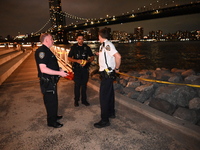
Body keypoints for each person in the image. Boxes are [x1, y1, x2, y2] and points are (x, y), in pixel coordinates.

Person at [35, 33, 68, 128]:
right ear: (46, 41)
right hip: (47, 82)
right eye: (51, 39)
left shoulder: (47, 50)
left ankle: (54, 116)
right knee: (50, 101)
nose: (53, 40)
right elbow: (43, 69)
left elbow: (50, 64)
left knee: (54, 100)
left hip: (51, 81)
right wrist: (59, 73)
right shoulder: (42, 51)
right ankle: (51, 122)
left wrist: (60, 70)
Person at [94, 28, 121, 128]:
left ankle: (105, 120)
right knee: (109, 94)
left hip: (107, 74)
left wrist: (117, 68)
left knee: (104, 97)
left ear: (100, 36)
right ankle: (111, 113)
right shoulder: (103, 45)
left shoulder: (108, 45)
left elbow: (118, 56)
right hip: (107, 74)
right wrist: (99, 54)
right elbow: (107, 55)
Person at [68, 33, 94, 107]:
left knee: (84, 85)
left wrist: (88, 61)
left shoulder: (87, 47)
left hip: (85, 69)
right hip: (77, 69)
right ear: (76, 39)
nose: (81, 40)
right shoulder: (74, 48)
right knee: (77, 85)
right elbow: (69, 58)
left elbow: (92, 57)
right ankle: (76, 100)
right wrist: (77, 61)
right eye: (79, 39)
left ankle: (84, 100)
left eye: (82, 39)